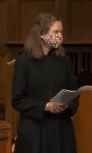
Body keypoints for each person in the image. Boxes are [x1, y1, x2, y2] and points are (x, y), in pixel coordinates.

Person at [12, 12, 78, 153]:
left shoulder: (64, 60)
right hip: (34, 129)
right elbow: (17, 100)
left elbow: (74, 94)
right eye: (56, 31)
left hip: (60, 129)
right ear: (42, 34)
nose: (60, 35)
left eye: (61, 31)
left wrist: (67, 105)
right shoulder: (24, 62)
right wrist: (46, 106)